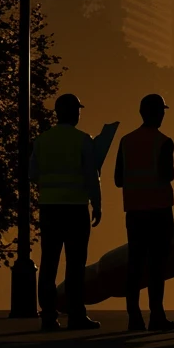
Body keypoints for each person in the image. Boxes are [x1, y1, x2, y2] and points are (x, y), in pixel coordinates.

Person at [30, 93, 102, 331]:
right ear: (73, 113)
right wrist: (97, 204)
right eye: (78, 110)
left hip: (49, 208)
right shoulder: (83, 140)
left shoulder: (42, 140)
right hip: (75, 209)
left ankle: (48, 317)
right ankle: (76, 315)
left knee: (48, 263)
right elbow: (92, 177)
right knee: (75, 265)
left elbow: (32, 173)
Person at [115, 94, 174, 332]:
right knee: (157, 266)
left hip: (134, 210)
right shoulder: (164, 142)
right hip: (159, 210)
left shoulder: (126, 141)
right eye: (162, 111)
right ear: (158, 113)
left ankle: (134, 316)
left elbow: (118, 179)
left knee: (135, 264)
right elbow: (167, 175)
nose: (163, 115)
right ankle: (157, 315)